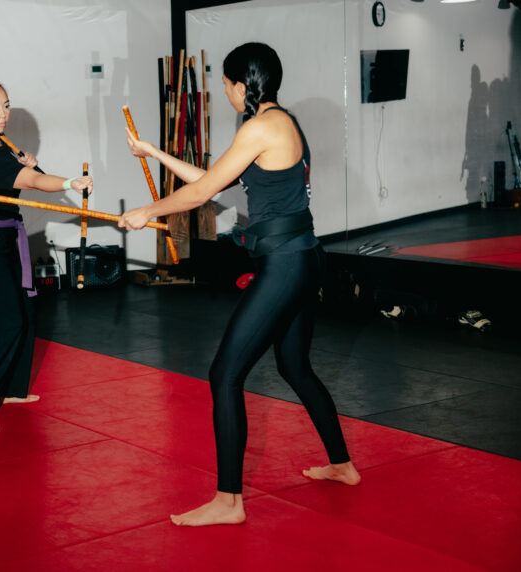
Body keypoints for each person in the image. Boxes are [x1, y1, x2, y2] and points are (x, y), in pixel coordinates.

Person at [119, 43, 360, 526]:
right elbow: (213, 180)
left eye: (225, 85)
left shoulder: (260, 127)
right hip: (303, 257)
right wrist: (154, 152)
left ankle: (229, 501)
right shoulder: (279, 122)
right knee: (294, 367)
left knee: (224, 374)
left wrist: (148, 211)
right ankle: (343, 465)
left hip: (286, 264)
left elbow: (203, 192)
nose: (225, 93)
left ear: (238, 84)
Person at [0, 78, 92, 435]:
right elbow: (34, 182)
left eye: (6, 105)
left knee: (23, 311)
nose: (3, 114)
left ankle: (9, 390)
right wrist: (70, 182)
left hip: (1, 236)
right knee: (4, 322)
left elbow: (22, 172)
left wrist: (25, 162)